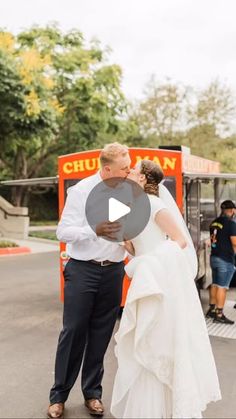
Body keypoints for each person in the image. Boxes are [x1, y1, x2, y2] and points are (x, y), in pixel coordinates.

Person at [111, 160, 221, 419]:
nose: (130, 172)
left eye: (135, 170)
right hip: (144, 278)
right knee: (145, 341)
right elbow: (137, 248)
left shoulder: (156, 206)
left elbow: (180, 241)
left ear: (144, 179)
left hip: (158, 281)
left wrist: (149, 263)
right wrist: (122, 242)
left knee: (157, 339)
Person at [47, 143, 131, 419]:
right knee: (73, 333)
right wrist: (92, 230)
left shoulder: (128, 192)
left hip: (114, 271)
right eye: (123, 168)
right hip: (83, 269)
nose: (128, 171)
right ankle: (58, 396)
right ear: (107, 169)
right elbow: (62, 231)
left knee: (102, 333)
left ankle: (92, 394)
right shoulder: (81, 191)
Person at [206, 200, 236, 324]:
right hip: (225, 259)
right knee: (222, 287)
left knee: (215, 284)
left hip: (214, 257)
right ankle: (219, 314)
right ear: (232, 210)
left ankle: (211, 310)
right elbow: (234, 242)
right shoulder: (231, 224)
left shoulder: (214, 222)